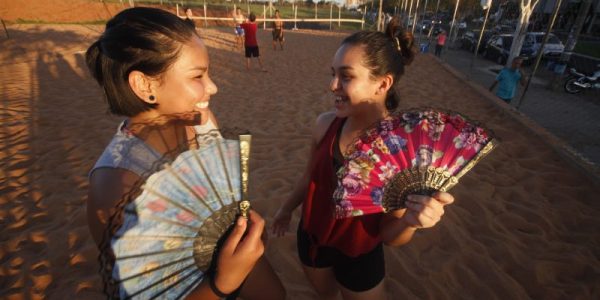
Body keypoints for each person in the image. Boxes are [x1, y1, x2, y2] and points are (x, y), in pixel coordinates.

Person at [85, 7, 284, 300]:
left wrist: (240, 221)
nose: (212, 87)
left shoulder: (199, 122)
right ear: (145, 85)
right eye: (198, 76)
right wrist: (222, 283)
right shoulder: (117, 186)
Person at [272, 16, 455, 300]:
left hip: (360, 254)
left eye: (345, 76)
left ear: (382, 84)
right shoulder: (325, 124)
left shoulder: (402, 153)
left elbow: (389, 236)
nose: (333, 85)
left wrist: (411, 221)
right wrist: (285, 209)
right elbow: (310, 176)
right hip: (312, 240)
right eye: (332, 74)